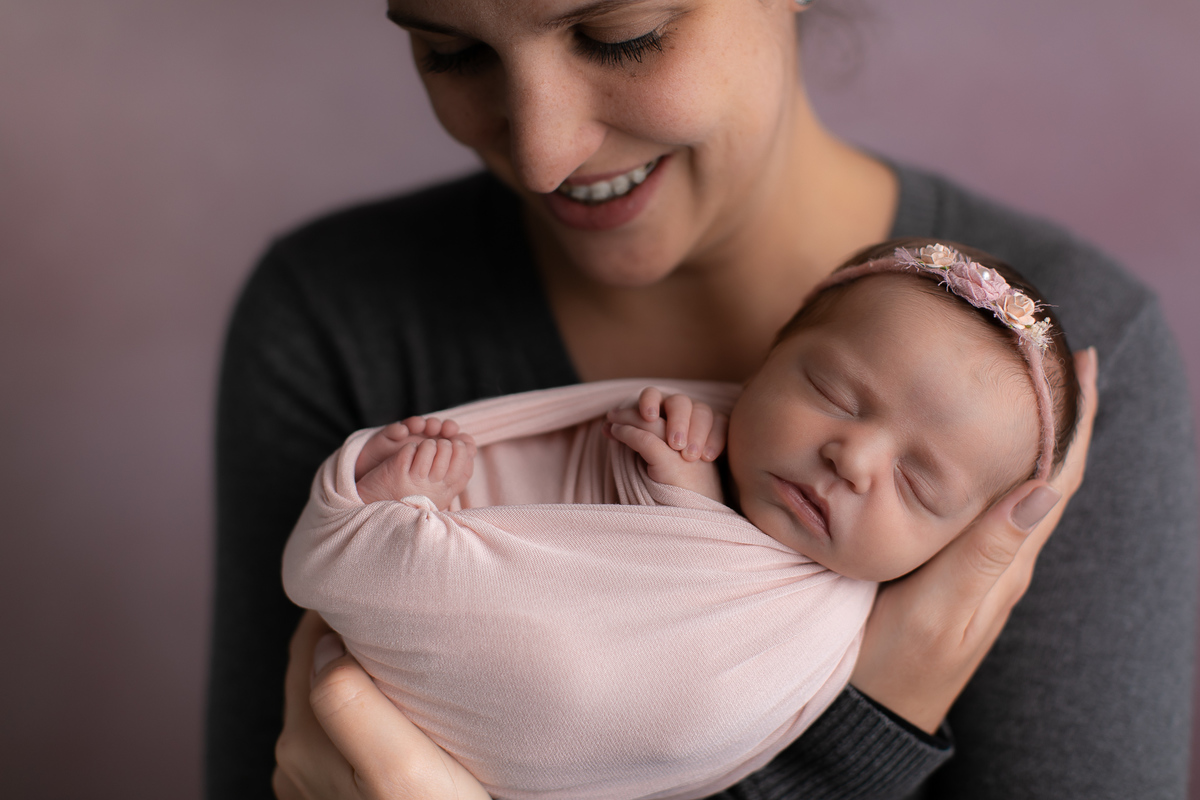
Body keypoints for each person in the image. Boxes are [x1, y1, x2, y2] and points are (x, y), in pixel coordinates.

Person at [206, 0, 1197, 798]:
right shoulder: (336, 315)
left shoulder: (1060, 387)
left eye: (621, 34)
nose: (544, 153)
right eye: (451, 51)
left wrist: (854, 737)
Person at [278, 241, 1081, 800]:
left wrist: (689, 505)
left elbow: (685, 702)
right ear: (770, 354)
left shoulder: (825, 635)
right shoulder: (689, 424)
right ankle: (385, 530)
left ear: (958, 541)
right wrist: (677, 472)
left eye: (917, 484)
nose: (854, 459)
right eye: (833, 394)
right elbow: (572, 509)